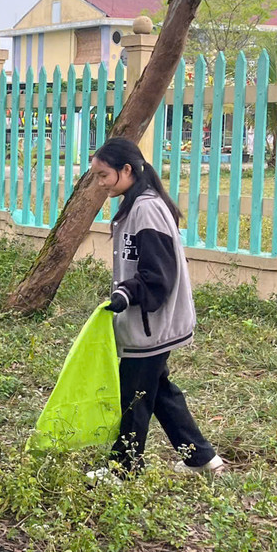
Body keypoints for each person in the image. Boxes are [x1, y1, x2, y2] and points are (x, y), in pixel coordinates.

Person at [87, 137, 224, 478]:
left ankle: (124, 469)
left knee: (134, 396)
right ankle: (202, 459)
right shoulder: (136, 204)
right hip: (149, 322)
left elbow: (158, 275)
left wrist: (126, 294)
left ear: (126, 170)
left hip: (151, 324)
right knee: (158, 390)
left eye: (104, 175)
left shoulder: (146, 209)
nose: (100, 183)